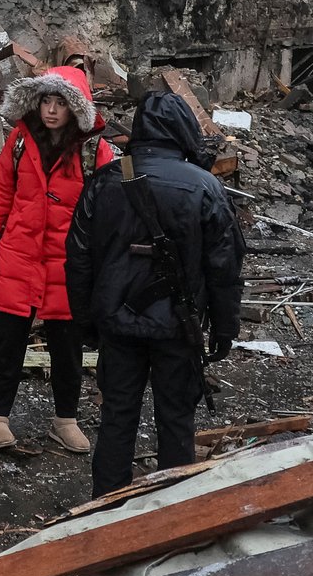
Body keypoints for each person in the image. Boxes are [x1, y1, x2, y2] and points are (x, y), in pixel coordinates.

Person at [64, 92, 245, 497]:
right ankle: (172, 514)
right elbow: (225, 266)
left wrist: (87, 322)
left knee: (117, 418)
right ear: (184, 130)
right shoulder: (205, 187)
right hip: (177, 328)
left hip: (118, 324)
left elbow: (77, 258)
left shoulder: (105, 181)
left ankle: (106, 512)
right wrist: (224, 328)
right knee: (177, 421)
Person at [0, 66, 114, 453]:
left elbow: (107, 210)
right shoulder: (19, 141)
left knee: (67, 348)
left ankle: (64, 419)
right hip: (20, 255)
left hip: (68, 264)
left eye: (61, 103)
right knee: (7, 342)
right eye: (46, 101)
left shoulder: (94, 151)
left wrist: (104, 263)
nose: (51, 110)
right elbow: (1, 194)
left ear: (75, 108)